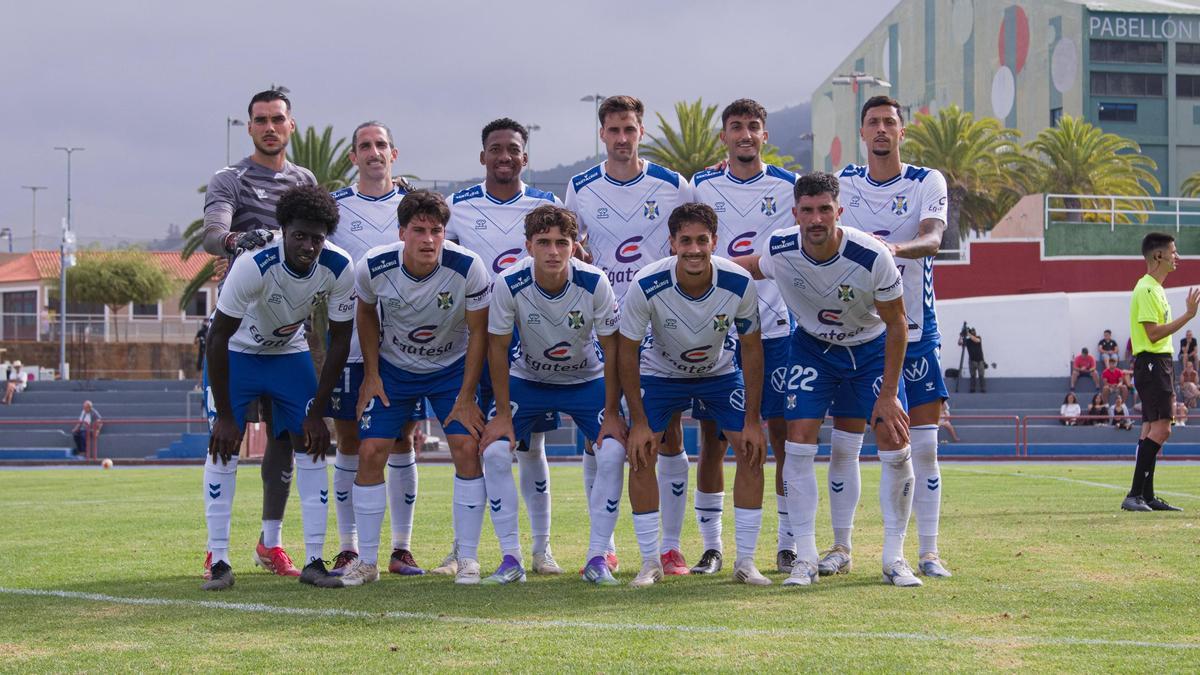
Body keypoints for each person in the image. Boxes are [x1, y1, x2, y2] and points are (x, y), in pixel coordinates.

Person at [735, 171, 919, 588]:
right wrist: (698, 265)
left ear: (839, 211)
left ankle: (895, 557)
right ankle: (805, 557)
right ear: (795, 213)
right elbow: (750, 267)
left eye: (824, 210)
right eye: (807, 211)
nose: (816, 219)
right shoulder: (781, 247)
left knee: (894, 440)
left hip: (870, 352)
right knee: (797, 441)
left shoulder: (872, 256)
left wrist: (888, 395)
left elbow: (898, 325)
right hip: (813, 349)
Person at [200, 185, 356, 591]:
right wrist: (228, 417)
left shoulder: (339, 267)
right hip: (237, 352)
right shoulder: (254, 263)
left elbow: (340, 340)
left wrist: (317, 411)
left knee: (312, 444)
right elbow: (217, 337)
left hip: (289, 352)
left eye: (317, 238)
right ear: (282, 229)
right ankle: (218, 561)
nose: (308, 245)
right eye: (299, 235)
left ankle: (315, 561)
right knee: (223, 445)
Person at [336, 190, 491, 587]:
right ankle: (367, 563)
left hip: (450, 370)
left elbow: (479, 333)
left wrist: (466, 395)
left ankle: (468, 558)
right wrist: (372, 374)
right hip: (396, 370)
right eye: (418, 230)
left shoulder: (469, 267)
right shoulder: (373, 266)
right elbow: (366, 314)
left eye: (436, 231)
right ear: (401, 232)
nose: (428, 239)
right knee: (370, 450)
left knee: (467, 447)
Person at [826, 95, 953, 578]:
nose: (881, 129)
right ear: (862, 133)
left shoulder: (927, 181)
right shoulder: (845, 184)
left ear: (902, 132)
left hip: (916, 331)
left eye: (889, 123)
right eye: (873, 122)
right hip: (857, 335)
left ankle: (928, 551)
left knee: (922, 446)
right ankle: (841, 547)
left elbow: (934, 239)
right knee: (845, 444)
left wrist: (894, 248)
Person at [566, 95, 693, 575]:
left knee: (668, 432)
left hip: (661, 322)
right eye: (614, 130)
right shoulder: (580, 188)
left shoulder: (671, 185)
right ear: (603, 134)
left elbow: (694, 238)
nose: (622, 139)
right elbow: (572, 246)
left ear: (642, 132)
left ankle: (671, 546)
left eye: (630, 130)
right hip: (603, 323)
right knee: (601, 433)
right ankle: (607, 544)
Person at [618, 202, 766, 588]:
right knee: (641, 452)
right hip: (661, 374)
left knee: (751, 449)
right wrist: (636, 422)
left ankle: (746, 562)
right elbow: (627, 352)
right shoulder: (646, 284)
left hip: (718, 374)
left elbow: (751, 347)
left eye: (703, 240)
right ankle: (651, 561)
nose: (695, 249)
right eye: (686, 240)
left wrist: (752, 419)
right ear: (672, 243)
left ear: (715, 242)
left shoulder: (738, 282)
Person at [201, 89, 317, 578]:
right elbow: (212, 234)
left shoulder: (305, 180)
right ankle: (216, 551)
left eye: (278, 119)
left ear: (292, 126)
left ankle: (271, 544)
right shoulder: (230, 178)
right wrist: (234, 240)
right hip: (238, 331)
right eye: (260, 120)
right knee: (224, 435)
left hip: (290, 331)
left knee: (288, 439)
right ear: (248, 127)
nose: (270, 127)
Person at [478, 205, 626, 585]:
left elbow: (613, 349)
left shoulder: (594, 283)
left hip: (585, 380)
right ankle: (510, 559)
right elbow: (496, 349)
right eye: (544, 242)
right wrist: (501, 416)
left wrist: (612, 411)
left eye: (563, 242)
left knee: (612, 450)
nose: (553, 251)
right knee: (495, 451)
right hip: (528, 381)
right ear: (528, 246)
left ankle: (597, 558)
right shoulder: (509, 284)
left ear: (575, 246)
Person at [444, 118, 565, 577]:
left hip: (532, 337)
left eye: (513, 149)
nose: (504, 157)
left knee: (532, 447)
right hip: (477, 337)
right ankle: (463, 549)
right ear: (483, 157)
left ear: (525, 158)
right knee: (475, 442)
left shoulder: (545, 204)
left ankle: (541, 549)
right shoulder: (458, 206)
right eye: (495, 149)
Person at [688, 98, 797, 575]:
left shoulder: (790, 187)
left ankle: (788, 542)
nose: (745, 135)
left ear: (764, 135)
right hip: (717, 334)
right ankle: (712, 547)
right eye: (736, 128)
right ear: (724, 137)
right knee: (712, 440)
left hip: (777, 330)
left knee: (782, 438)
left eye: (753, 127)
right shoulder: (701, 186)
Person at [324, 121, 425, 577]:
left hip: (403, 344)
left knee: (402, 439)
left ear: (394, 153)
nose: (374, 152)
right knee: (348, 438)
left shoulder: (411, 206)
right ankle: (348, 547)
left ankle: (401, 548)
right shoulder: (336, 208)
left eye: (381, 145)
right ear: (353, 157)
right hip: (348, 342)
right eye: (365, 146)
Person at [1123, 232, 1195, 512]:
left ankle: (1146, 495)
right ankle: (1134, 494)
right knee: (1163, 429)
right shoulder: (1147, 290)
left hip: (1157, 363)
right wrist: (1188, 316)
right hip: (1153, 362)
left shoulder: (1155, 289)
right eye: (1173, 252)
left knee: (1152, 429)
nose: (1177, 257)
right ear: (1158, 256)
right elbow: (1152, 334)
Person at [959, 327, 986, 393]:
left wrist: (968, 334)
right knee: (973, 376)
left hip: (980, 360)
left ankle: (983, 389)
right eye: (972, 331)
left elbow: (976, 340)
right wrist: (961, 336)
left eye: (974, 331)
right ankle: (972, 389)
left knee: (981, 375)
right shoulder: (968, 341)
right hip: (972, 361)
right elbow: (960, 343)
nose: (973, 333)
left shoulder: (978, 337)